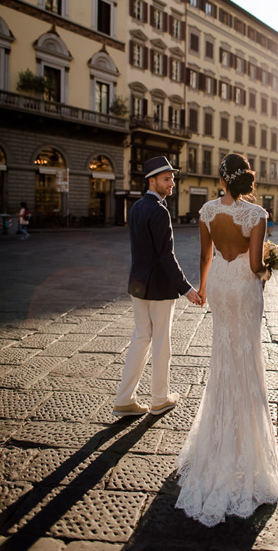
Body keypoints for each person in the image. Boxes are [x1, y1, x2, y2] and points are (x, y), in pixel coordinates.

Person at [175, 153, 278, 526]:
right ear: (246, 180)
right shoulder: (258, 216)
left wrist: (203, 290)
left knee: (222, 356)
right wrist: (269, 268)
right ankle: (245, 445)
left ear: (222, 180)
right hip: (244, 289)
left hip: (219, 285)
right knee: (246, 356)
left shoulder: (205, 212)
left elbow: (205, 255)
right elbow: (254, 265)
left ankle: (217, 440)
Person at [113, 157, 201, 418]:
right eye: (166, 179)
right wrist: (187, 288)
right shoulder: (160, 211)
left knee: (140, 340)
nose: (171, 182)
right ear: (152, 181)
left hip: (138, 285)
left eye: (172, 178)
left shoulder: (137, 207)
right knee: (161, 342)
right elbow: (166, 256)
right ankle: (160, 398)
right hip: (160, 288)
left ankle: (124, 399)